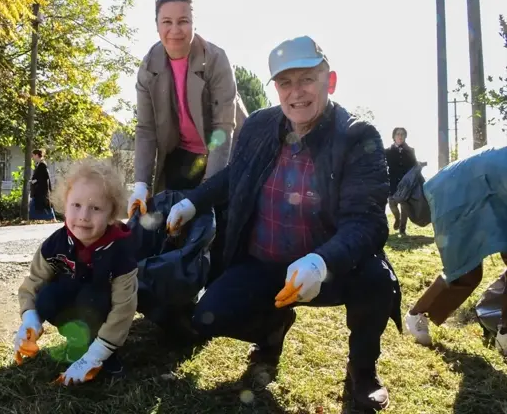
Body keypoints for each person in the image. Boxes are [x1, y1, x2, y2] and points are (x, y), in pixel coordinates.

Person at [165, 36, 401, 411]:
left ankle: (363, 369)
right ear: (275, 88)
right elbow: (234, 176)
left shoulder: (357, 136)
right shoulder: (260, 125)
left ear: (331, 81)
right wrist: (193, 202)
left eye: (307, 79)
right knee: (210, 316)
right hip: (264, 262)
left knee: (376, 280)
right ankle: (271, 332)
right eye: (285, 82)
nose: (296, 93)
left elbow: (367, 223)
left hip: (330, 266)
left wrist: (320, 262)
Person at [14, 158, 138, 385]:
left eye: (96, 208)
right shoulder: (55, 244)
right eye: (76, 205)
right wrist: (29, 319)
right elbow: (33, 282)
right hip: (74, 301)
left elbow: (124, 309)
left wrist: (97, 355)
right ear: (64, 204)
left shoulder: (121, 252)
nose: (83, 216)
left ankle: (103, 351)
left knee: (93, 297)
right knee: (47, 298)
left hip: (102, 308)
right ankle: (77, 339)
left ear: (111, 214)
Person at [127, 0, 247, 217]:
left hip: (228, 152)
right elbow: (145, 129)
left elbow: (224, 127)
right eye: (167, 22)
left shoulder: (216, 59)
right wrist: (141, 185)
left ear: (194, 23)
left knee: (217, 220)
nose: (175, 30)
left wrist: (206, 192)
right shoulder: (148, 66)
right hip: (182, 154)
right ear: (157, 26)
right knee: (166, 220)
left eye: (183, 21)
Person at [404, 144, 507, 353]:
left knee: (468, 273)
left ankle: (504, 333)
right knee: (465, 273)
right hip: (457, 194)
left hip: (483, 188)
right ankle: (415, 315)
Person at [385, 128, 418, 235]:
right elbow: (382, 165)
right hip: (393, 181)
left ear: (405, 136)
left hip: (406, 182)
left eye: (402, 134)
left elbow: (414, 165)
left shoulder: (410, 150)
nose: (400, 136)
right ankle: (397, 218)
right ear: (394, 136)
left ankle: (402, 229)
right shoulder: (388, 151)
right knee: (392, 203)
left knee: (404, 205)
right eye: (398, 134)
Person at [29, 149, 56, 221]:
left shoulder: (42, 165)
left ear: (37, 155)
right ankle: (51, 218)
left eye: (33, 155)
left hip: (41, 191)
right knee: (41, 205)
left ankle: (51, 218)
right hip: (39, 191)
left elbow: (44, 177)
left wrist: (34, 181)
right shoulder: (39, 164)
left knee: (43, 205)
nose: (32, 157)